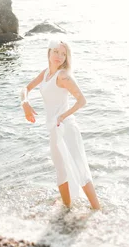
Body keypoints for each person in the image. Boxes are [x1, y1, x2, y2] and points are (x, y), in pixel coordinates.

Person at [20, 39, 100, 210]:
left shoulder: (62, 76)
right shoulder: (45, 74)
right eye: (56, 52)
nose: (59, 56)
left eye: (63, 54)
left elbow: (82, 101)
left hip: (66, 127)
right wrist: (25, 103)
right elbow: (25, 88)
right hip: (53, 128)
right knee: (60, 169)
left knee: (79, 168)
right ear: (48, 52)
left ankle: (97, 210)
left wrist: (63, 116)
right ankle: (67, 208)